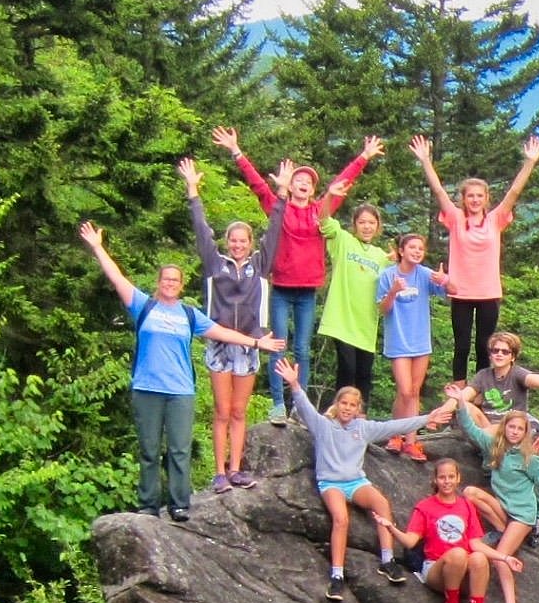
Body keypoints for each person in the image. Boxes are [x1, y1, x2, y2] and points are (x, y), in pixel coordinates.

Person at [81, 221, 286, 521]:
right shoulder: (143, 306)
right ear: (159, 282)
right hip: (147, 388)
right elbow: (117, 278)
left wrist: (257, 342)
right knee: (150, 451)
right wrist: (99, 248)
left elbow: (224, 332)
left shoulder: (190, 315)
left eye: (175, 280)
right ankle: (148, 504)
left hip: (180, 392)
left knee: (179, 450)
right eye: (166, 279)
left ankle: (179, 504)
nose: (170, 284)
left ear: (181, 284)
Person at [212, 127, 382, 426]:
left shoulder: (319, 211)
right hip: (281, 287)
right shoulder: (278, 208)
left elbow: (340, 184)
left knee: (302, 349)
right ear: (289, 186)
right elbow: (257, 185)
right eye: (298, 180)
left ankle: (298, 405)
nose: (303, 184)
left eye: (308, 182)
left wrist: (364, 157)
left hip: (307, 290)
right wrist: (236, 151)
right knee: (278, 343)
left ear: (313, 190)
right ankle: (278, 404)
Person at [273, 355, 446, 602]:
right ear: (337, 404)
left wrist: (427, 419)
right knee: (341, 518)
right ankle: (337, 576)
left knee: (382, 504)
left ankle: (387, 560)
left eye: (352, 405)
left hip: (355, 482)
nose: (347, 408)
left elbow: (394, 426)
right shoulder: (323, 425)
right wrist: (295, 384)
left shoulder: (362, 429)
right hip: (331, 482)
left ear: (358, 409)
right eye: (343, 403)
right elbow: (304, 407)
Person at [177, 156, 280, 494]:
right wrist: (193, 192)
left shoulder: (259, 266)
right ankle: (219, 472)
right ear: (227, 242)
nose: (237, 245)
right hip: (220, 343)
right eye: (233, 240)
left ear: (250, 244)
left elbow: (275, 233)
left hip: (250, 342)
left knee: (239, 411)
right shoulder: (214, 264)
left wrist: (281, 195)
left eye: (243, 241)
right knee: (221, 411)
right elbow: (201, 231)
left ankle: (236, 469)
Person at [408, 133, 539, 380]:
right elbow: (439, 191)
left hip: (488, 293)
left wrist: (530, 162)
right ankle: (459, 390)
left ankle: (480, 391)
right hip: (460, 292)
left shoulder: (495, 220)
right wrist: (425, 160)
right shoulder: (456, 219)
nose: (475, 200)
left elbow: (514, 192)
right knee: (461, 346)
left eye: (479, 196)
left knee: (485, 346)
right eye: (470, 196)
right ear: (463, 198)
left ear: (486, 199)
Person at [375, 458, 516, 603]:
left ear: (458, 478)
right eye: (442, 477)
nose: (447, 481)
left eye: (451, 477)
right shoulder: (425, 507)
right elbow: (410, 541)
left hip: (463, 574)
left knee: (478, 558)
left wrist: (505, 558)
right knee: (458, 554)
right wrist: (391, 528)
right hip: (437, 570)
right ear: (435, 480)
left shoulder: (466, 506)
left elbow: (475, 543)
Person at [455, 405, 539, 603]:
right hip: (504, 509)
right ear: (504, 427)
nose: (515, 431)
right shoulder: (494, 447)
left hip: (522, 515)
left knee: (500, 557)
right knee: (470, 493)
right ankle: (501, 530)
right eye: (512, 426)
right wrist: (461, 403)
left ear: (525, 433)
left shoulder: (530, 459)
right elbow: (471, 429)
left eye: (520, 428)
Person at [375, 232, 448, 462]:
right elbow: (383, 309)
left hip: (420, 341)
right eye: (412, 248)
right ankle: (395, 433)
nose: (417, 252)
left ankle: (410, 440)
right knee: (404, 390)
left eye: (420, 248)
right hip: (398, 341)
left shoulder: (425, 274)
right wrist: (394, 291)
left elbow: (451, 291)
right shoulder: (388, 276)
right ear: (401, 251)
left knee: (414, 391)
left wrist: (444, 280)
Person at [316, 199, 392, 411]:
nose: (367, 227)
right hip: (341, 321)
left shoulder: (382, 257)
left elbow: (403, 271)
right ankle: (338, 418)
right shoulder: (343, 240)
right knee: (347, 371)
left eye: (371, 223)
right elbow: (322, 217)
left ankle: (360, 421)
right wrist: (332, 194)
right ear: (354, 224)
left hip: (366, 325)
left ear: (378, 226)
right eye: (362, 222)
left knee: (364, 375)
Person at [434, 330, 539, 438]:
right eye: (495, 351)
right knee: (465, 405)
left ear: (512, 357)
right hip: (488, 424)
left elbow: (534, 379)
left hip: (512, 426)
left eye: (505, 352)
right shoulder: (483, 375)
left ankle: (484, 443)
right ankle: (485, 442)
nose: (499, 354)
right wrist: (438, 415)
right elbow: (462, 396)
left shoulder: (517, 373)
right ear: (490, 355)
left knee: (499, 429)